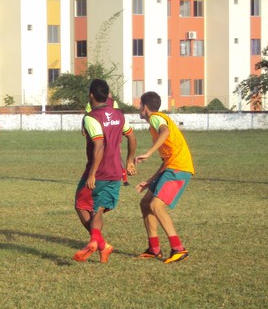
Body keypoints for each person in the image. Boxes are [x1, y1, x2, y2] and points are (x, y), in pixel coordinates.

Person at [73, 79, 137, 263]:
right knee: (97, 211)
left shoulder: (91, 117)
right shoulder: (118, 114)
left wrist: (92, 173)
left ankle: (97, 242)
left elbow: (99, 145)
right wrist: (130, 161)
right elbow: (131, 136)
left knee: (81, 205)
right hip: (116, 172)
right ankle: (102, 246)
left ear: (91, 95)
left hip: (98, 172)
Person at [134, 91, 194, 264]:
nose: (139, 108)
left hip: (179, 168)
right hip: (171, 166)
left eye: (139, 105)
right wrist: (150, 181)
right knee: (145, 203)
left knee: (156, 205)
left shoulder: (155, 118)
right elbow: (166, 159)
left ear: (145, 107)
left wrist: (148, 152)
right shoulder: (156, 121)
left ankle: (178, 249)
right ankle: (154, 249)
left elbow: (165, 131)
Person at [85, 95, 131, 186]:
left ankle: (124, 179)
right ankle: (123, 178)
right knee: (116, 154)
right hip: (108, 133)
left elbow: (89, 116)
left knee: (113, 153)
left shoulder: (111, 102)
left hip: (108, 133)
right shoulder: (112, 103)